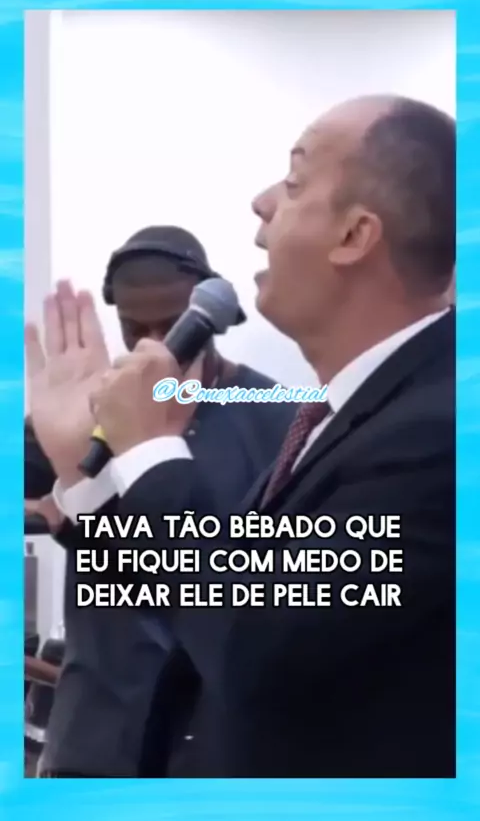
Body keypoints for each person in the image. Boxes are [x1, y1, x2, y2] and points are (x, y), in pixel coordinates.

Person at [26, 95, 455, 777]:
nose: (261, 204)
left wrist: (149, 453)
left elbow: (257, 633)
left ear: (354, 236)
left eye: (294, 181)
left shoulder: (443, 431)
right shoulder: (342, 419)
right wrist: (82, 473)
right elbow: (196, 585)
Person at [24, 226, 296, 777]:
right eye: (134, 329)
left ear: (211, 318)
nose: (154, 344)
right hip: (93, 739)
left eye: (170, 325)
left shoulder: (279, 416)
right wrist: (62, 500)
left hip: (210, 752)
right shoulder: (91, 407)